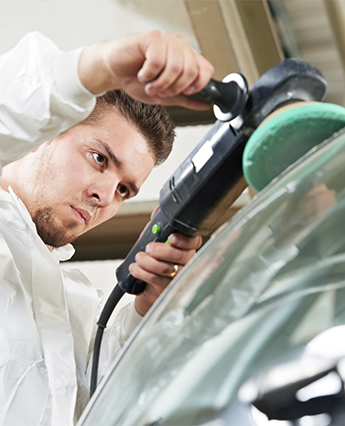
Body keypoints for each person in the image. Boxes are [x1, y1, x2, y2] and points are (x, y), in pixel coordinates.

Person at [0, 30, 214, 425]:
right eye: (99, 158)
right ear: (43, 131)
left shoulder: (77, 304)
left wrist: (145, 311)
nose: (105, 196)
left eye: (124, 190)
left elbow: (109, 397)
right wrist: (101, 65)